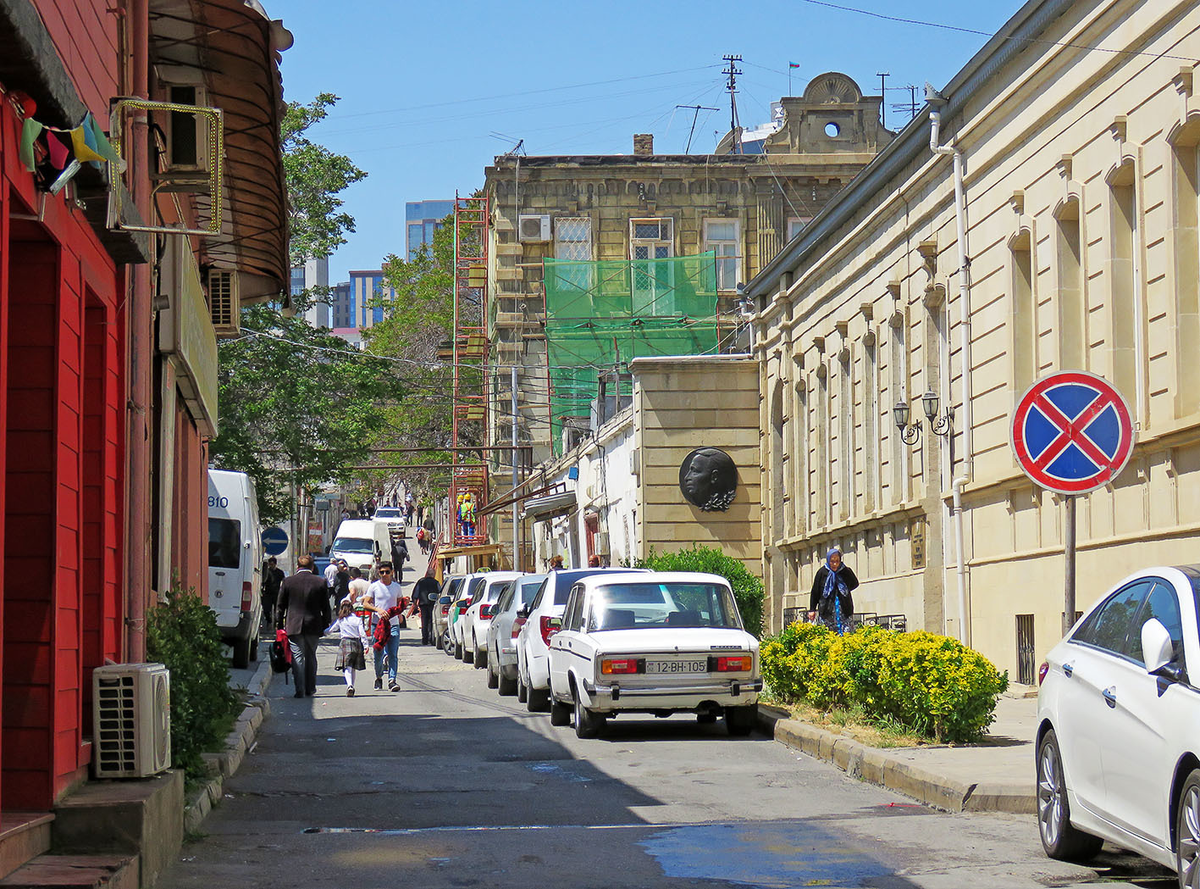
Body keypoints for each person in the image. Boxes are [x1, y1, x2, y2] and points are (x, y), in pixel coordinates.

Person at [276, 555, 332, 698]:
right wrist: (326, 624)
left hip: (293, 625)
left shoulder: (288, 582)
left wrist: (279, 624)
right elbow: (326, 607)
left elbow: (280, 606)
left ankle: (299, 689)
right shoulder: (320, 582)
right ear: (312, 567)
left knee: (297, 657)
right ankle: (310, 688)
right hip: (313, 624)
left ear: (297, 567)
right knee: (311, 656)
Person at [364, 562, 405, 691]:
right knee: (378, 654)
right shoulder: (374, 587)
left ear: (392, 572)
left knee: (393, 654)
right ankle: (379, 677)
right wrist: (377, 610)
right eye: (381, 572)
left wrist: (400, 612)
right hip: (378, 625)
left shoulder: (396, 587)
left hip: (393, 625)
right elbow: (366, 603)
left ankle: (392, 680)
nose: (384, 574)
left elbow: (400, 604)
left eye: (387, 572)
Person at [808, 547, 859, 634]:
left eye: (837, 561)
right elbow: (815, 592)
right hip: (827, 611)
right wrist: (812, 609)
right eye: (832, 561)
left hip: (844, 610)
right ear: (828, 560)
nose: (835, 564)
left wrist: (843, 589)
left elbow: (855, 583)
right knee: (828, 636)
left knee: (846, 636)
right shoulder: (822, 572)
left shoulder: (845, 571)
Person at [325, 600, 369, 696]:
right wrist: (366, 645)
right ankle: (351, 685)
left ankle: (349, 685)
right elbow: (362, 634)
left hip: (345, 642)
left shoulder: (341, 620)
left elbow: (330, 630)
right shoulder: (357, 619)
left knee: (347, 666)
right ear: (352, 608)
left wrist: (322, 632)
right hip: (356, 643)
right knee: (353, 667)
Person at [411, 573, 440, 645]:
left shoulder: (421, 582)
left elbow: (415, 593)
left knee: (424, 621)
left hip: (423, 604)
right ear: (432, 575)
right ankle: (431, 638)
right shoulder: (435, 582)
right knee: (431, 621)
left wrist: (415, 602)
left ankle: (425, 639)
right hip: (433, 604)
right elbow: (440, 592)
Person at [260, 556, 284, 627]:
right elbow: (263, 581)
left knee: (277, 609)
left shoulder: (280, 572)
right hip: (267, 593)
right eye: (270, 564)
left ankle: (276, 623)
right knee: (266, 609)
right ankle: (269, 620)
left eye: (272, 564)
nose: (271, 566)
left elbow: (283, 581)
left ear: (275, 564)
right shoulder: (266, 572)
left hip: (277, 593)